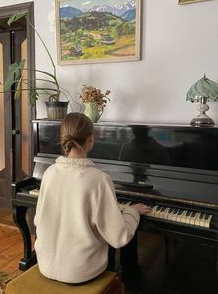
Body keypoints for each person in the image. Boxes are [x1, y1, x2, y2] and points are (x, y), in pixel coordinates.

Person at [34, 112, 151, 284]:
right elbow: (119, 237)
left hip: (45, 264)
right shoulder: (99, 179)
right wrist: (132, 211)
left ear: (62, 138)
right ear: (91, 139)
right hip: (80, 273)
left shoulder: (49, 172)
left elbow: (38, 220)